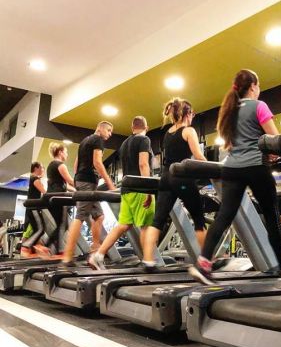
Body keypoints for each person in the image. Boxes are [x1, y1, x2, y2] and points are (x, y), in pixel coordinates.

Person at [189, 69, 281, 285]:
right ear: (253, 86)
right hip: (256, 167)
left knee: (224, 216)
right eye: (258, 85)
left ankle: (203, 263)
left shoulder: (230, 109)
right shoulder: (259, 106)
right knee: (271, 216)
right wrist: (276, 153)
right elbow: (274, 139)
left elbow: (232, 142)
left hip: (232, 169)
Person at [141, 98, 207, 270]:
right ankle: (207, 260)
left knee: (157, 220)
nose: (192, 117)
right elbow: (198, 156)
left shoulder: (167, 133)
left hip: (165, 178)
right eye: (192, 114)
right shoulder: (189, 131)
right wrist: (214, 168)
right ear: (187, 113)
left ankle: (148, 260)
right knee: (199, 220)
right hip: (182, 178)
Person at [88, 116, 155, 270]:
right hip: (139, 188)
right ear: (147, 127)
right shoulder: (144, 140)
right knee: (146, 225)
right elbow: (143, 164)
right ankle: (148, 261)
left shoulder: (124, 143)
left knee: (123, 225)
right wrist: (149, 189)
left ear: (132, 128)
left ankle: (98, 256)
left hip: (126, 190)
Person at [62, 121, 116, 266]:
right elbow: (97, 162)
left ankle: (95, 251)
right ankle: (67, 256)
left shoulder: (85, 141)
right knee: (80, 216)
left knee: (99, 216)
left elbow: (76, 164)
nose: (110, 134)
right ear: (100, 129)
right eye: (109, 130)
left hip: (83, 181)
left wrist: (77, 180)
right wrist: (110, 183)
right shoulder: (98, 140)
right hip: (87, 182)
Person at [34, 142, 75, 257]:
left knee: (60, 225)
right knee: (63, 225)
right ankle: (45, 246)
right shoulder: (60, 165)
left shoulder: (51, 165)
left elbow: (64, 185)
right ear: (60, 152)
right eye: (66, 152)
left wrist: (76, 191)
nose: (67, 154)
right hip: (58, 198)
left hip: (52, 198)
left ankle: (56, 250)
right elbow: (70, 180)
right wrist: (83, 187)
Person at [21, 162, 46, 257]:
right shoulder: (35, 179)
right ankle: (26, 247)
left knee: (36, 229)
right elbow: (45, 192)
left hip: (32, 209)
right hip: (34, 209)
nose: (43, 170)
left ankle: (32, 250)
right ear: (36, 168)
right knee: (40, 229)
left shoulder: (32, 178)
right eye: (42, 168)